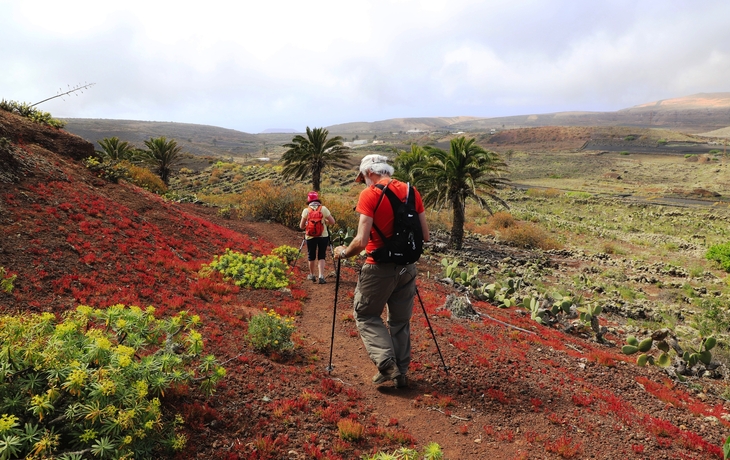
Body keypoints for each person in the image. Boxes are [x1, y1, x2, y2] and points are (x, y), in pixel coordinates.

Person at [334, 154, 429, 388]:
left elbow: (361, 240)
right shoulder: (411, 191)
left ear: (369, 173)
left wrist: (343, 253)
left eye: (363, 178)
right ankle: (401, 372)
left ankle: (387, 365)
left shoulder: (370, 194)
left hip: (379, 268)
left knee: (365, 314)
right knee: (400, 321)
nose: (364, 182)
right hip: (407, 267)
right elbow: (425, 235)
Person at [300, 191, 336, 284]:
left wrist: (308, 224)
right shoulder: (323, 209)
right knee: (321, 255)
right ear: (317, 199)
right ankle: (321, 276)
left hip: (310, 236)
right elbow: (332, 222)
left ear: (309, 200)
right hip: (323, 236)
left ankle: (312, 275)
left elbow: (301, 226)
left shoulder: (306, 210)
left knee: (311, 256)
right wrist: (325, 221)